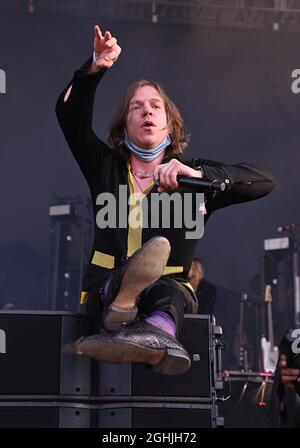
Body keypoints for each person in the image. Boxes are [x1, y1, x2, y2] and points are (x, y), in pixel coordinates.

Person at [55, 25, 276, 376]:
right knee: (120, 282)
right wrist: (95, 67)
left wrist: (201, 177)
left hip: (169, 296)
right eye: (136, 108)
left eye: (155, 106)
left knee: (168, 291)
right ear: (123, 127)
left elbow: (264, 181)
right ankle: (126, 306)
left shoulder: (193, 176)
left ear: (169, 126)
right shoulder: (104, 167)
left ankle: (155, 333)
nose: (146, 111)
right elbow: (68, 115)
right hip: (102, 292)